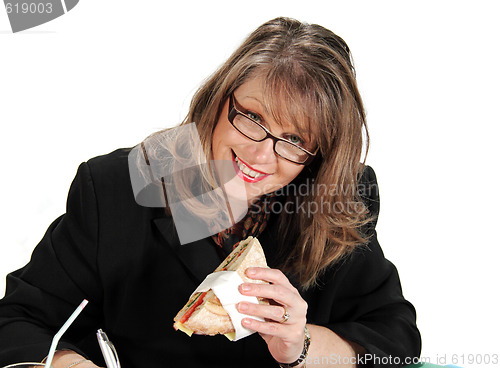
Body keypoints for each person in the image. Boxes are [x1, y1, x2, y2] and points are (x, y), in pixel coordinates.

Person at [0, 17, 421, 368]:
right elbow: (18, 320)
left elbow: (395, 345)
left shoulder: (338, 202)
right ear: (219, 100)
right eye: (252, 117)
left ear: (320, 157)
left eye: (295, 139)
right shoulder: (119, 187)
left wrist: (302, 344)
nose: (259, 154)